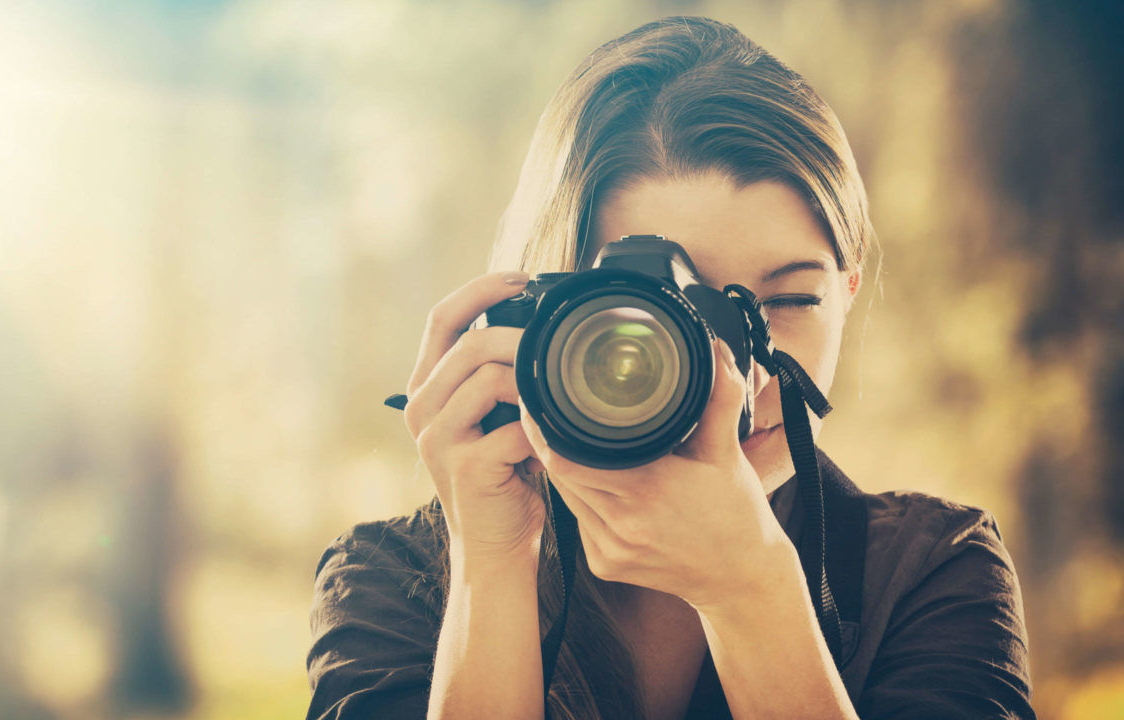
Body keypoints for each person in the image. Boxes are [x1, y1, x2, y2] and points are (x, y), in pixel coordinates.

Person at [306, 16, 1034, 720]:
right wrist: (492, 563)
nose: (735, 383)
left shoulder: (933, 572)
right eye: (661, 315)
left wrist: (752, 592)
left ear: (847, 291)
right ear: (549, 318)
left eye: (784, 301)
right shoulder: (393, 583)